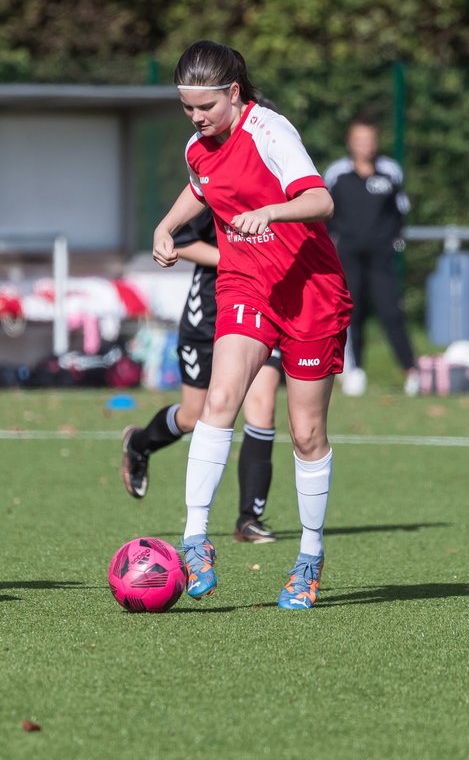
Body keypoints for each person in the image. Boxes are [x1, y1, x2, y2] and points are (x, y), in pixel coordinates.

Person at [151, 40, 352, 610]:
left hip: (310, 290)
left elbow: (320, 201)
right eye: (187, 108)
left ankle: (308, 560)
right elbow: (200, 189)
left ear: (233, 93)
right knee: (219, 400)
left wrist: (272, 210)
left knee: (307, 432)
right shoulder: (199, 147)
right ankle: (195, 541)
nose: (195, 118)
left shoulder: (271, 133)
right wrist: (167, 227)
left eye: (204, 107)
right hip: (245, 284)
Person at [120, 208, 283, 544]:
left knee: (263, 406)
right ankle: (138, 444)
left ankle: (248, 519)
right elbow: (182, 241)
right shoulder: (217, 181)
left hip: (264, 308)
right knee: (193, 416)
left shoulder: (283, 182)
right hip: (208, 313)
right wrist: (236, 257)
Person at [324, 116, 419, 397]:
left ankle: (411, 371)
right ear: (350, 142)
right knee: (351, 311)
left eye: (369, 140)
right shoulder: (336, 173)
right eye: (359, 140)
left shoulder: (390, 171)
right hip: (347, 255)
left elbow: (399, 211)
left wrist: (393, 239)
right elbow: (325, 212)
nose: (364, 145)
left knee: (391, 311)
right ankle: (353, 370)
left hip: (382, 257)